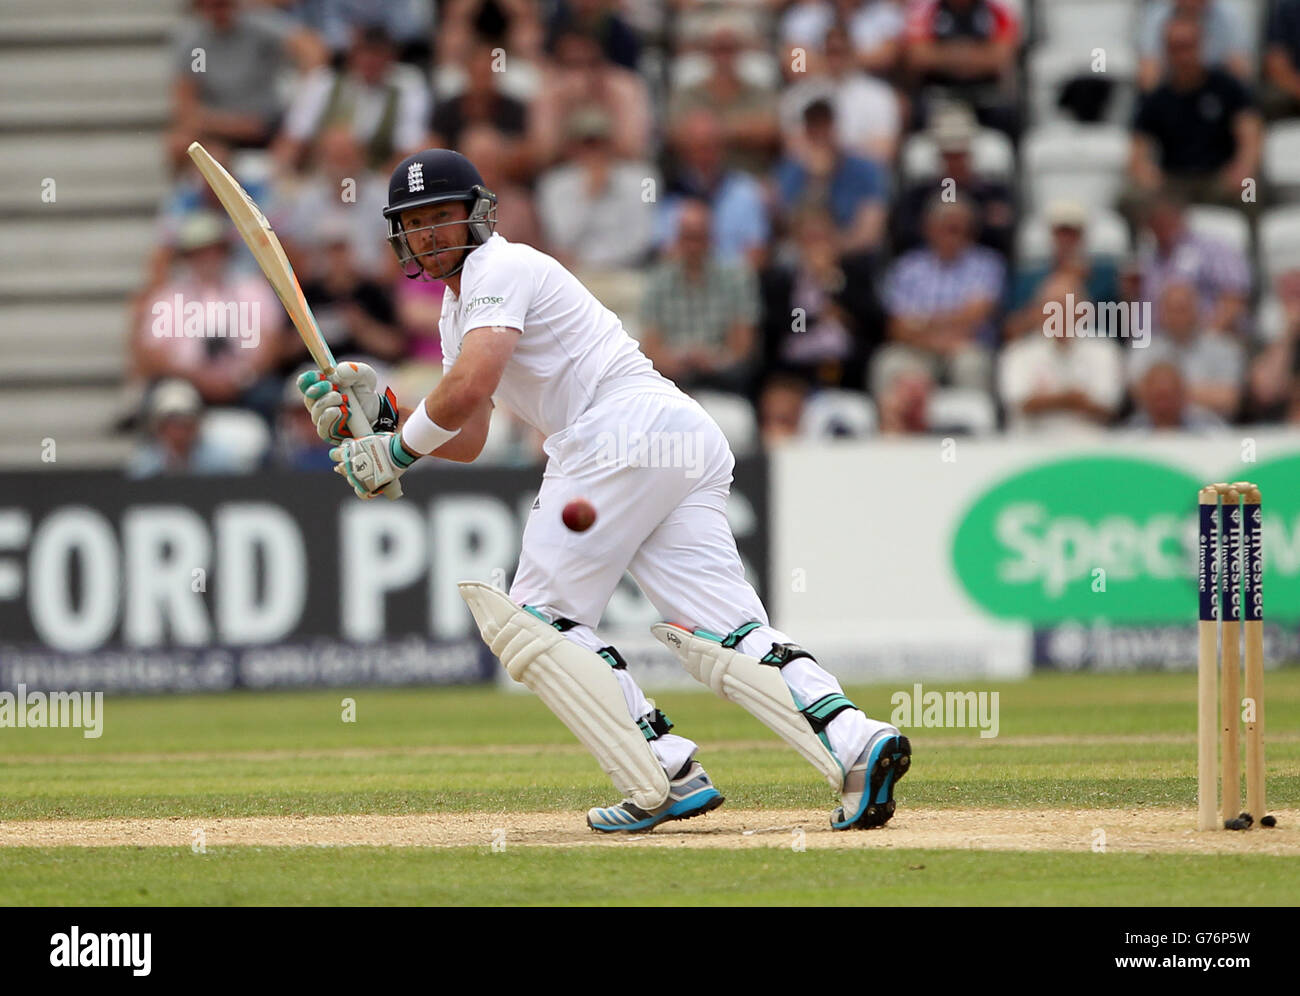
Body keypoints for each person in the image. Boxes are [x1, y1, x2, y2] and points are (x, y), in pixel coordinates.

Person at [296, 148, 911, 833]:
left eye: (443, 216)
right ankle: (857, 743)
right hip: (672, 434)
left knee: (535, 619)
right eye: (417, 224)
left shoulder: (501, 266)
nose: (432, 233)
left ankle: (664, 772)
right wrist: (385, 414)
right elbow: (468, 431)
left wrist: (395, 451)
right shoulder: (454, 312)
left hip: (613, 431)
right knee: (722, 629)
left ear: (477, 216)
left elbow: (468, 386)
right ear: (399, 237)